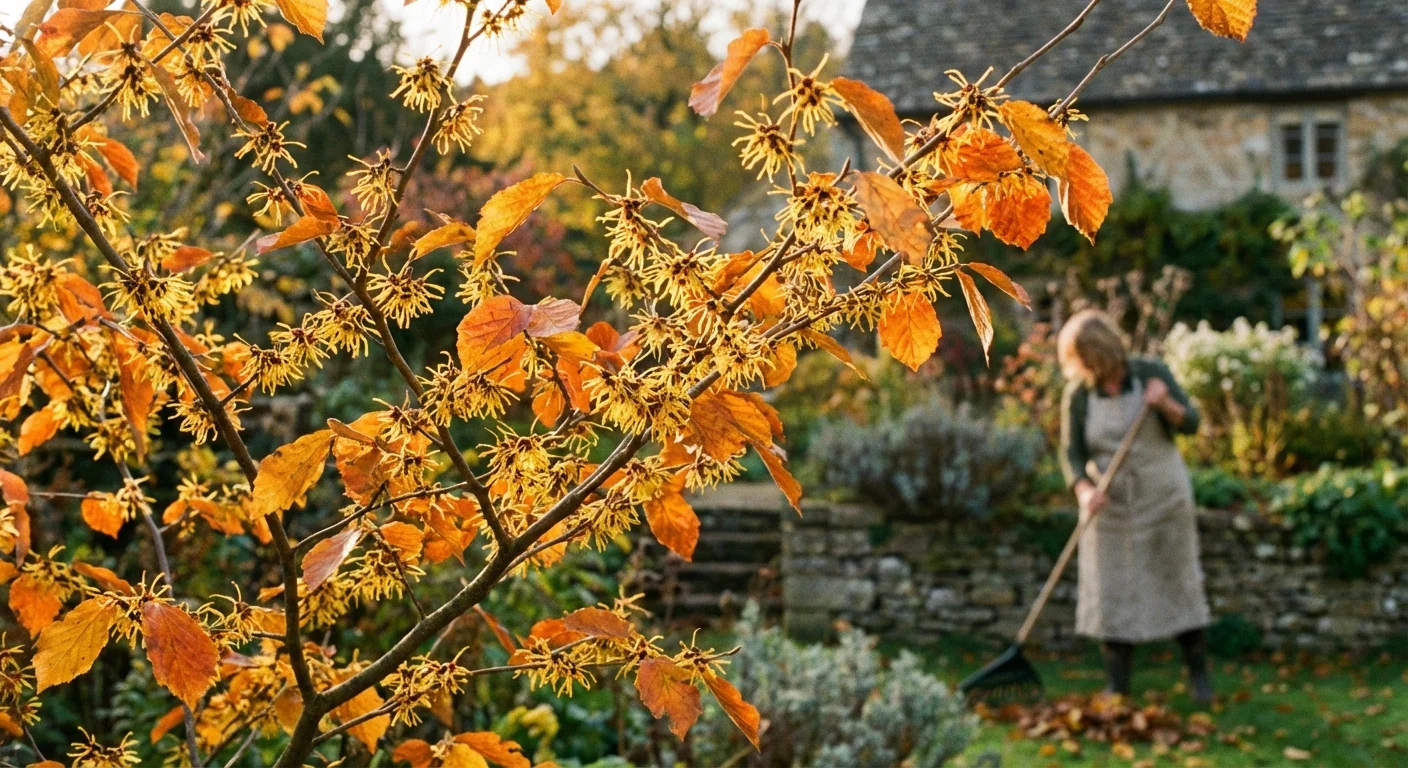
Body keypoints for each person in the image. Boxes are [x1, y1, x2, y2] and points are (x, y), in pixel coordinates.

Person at [1056, 309, 1214, 705]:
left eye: (1088, 357)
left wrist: (1165, 405)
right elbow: (1071, 454)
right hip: (1107, 507)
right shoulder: (1078, 393)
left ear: (1105, 349)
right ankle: (1117, 686)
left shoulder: (1150, 373)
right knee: (1112, 589)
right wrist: (1083, 490)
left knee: (1177, 581)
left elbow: (1191, 423)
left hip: (1162, 498)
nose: (1084, 366)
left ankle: (1199, 678)